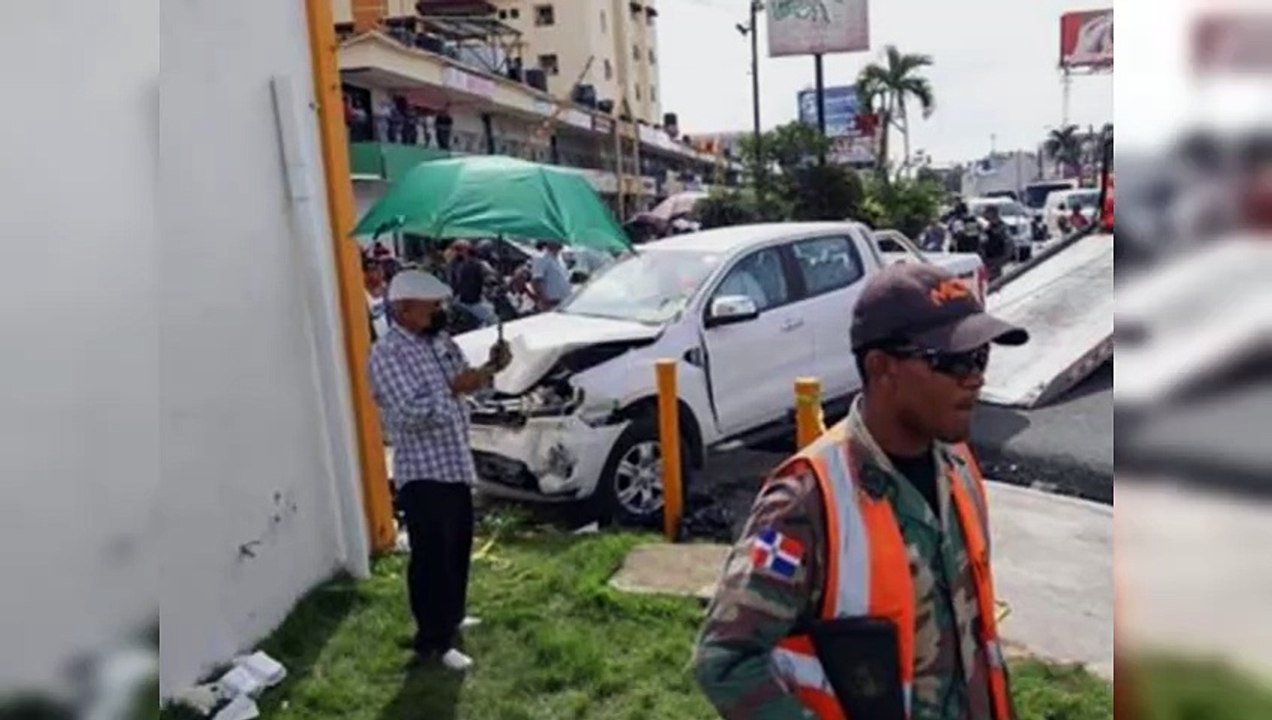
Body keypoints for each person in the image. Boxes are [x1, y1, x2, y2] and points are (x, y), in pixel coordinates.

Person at [693, 263, 1029, 720]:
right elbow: (726, 661)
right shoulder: (806, 500)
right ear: (882, 368)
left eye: (981, 357)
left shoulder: (957, 464)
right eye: (952, 361)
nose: (975, 377)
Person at [368, 270, 512, 672]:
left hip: (454, 463)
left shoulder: (440, 341)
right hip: (423, 470)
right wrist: (453, 388)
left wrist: (488, 369)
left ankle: (452, 614)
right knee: (431, 556)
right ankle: (432, 639)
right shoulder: (388, 354)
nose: (440, 313)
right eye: (432, 308)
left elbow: (468, 383)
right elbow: (409, 413)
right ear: (404, 310)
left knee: (458, 546)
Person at [447, 239, 498, 327]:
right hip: (468, 301)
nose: (456, 252)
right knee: (493, 320)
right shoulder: (457, 264)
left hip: (468, 300)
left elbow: (492, 277)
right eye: (456, 249)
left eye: (458, 249)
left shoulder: (476, 263)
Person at [529, 239, 572, 311]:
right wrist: (545, 301)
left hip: (564, 301)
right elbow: (536, 282)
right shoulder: (541, 257)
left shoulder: (560, 257)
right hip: (551, 303)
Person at [980, 205, 1013, 280]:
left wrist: (1000, 261)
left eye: (986, 212)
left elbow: (1009, 245)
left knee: (996, 284)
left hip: (996, 261)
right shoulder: (988, 227)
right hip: (987, 261)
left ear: (992, 213)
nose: (983, 214)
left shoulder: (1002, 228)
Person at [363, 252, 389, 340]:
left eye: (377, 268)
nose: (375, 273)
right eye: (369, 270)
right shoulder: (361, 298)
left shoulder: (392, 293)